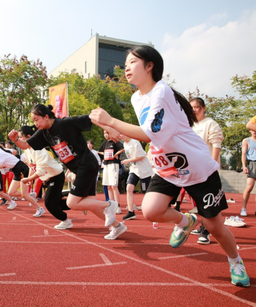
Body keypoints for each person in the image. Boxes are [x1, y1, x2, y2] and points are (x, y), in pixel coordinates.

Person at [89, 45, 250, 287]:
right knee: (151, 210)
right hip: (168, 167)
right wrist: (115, 129)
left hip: (197, 169)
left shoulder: (162, 92)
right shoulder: (136, 97)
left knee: (215, 225)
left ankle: (235, 261)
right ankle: (186, 221)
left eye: (132, 62)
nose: (126, 68)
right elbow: (147, 131)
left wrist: (112, 120)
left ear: (150, 65)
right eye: (125, 64)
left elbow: (151, 132)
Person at [8, 104, 124, 240]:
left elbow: (92, 118)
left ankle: (109, 204)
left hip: (86, 164)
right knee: (90, 203)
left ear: (46, 117)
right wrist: (15, 140)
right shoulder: (43, 133)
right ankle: (117, 226)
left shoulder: (64, 123)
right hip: (79, 168)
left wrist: (109, 129)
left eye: (36, 119)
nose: (35, 123)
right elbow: (26, 145)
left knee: (72, 203)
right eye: (33, 120)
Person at [16, 125, 74, 222]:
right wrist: (30, 178)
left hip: (56, 176)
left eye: (21, 137)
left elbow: (40, 171)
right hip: (48, 178)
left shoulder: (39, 150)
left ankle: (66, 220)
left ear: (29, 137)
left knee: (49, 203)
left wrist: (29, 179)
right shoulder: (27, 150)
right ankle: (78, 201)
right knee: (56, 202)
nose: (19, 140)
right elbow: (32, 166)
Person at [189, 97, 224, 244]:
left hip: (208, 170)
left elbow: (216, 145)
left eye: (197, 107)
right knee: (199, 201)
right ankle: (203, 226)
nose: (194, 110)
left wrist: (212, 164)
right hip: (194, 170)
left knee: (209, 202)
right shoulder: (188, 125)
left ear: (203, 108)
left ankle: (206, 231)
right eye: (192, 107)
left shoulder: (210, 124)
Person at [0, 139, 42, 213]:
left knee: (24, 194)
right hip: (16, 171)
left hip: (22, 170)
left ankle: (40, 208)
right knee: (11, 193)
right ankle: (31, 195)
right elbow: (13, 152)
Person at [121, 136, 153, 220]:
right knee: (129, 188)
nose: (120, 136)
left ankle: (153, 209)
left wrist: (128, 160)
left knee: (146, 192)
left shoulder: (135, 142)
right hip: (134, 169)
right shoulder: (125, 144)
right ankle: (131, 212)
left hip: (144, 170)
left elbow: (142, 156)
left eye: (121, 134)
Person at [99, 130, 124, 213]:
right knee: (108, 186)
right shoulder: (104, 143)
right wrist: (104, 155)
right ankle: (111, 205)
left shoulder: (115, 141)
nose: (106, 135)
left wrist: (116, 154)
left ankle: (118, 206)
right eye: (104, 134)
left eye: (107, 133)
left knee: (114, 186)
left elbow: (123, 148)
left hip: (113, 164)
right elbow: (99, 151)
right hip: (106, 164)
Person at [241, 116, 256, 217]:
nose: (254, 131)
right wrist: (244, 166)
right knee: (249, 187)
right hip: (252, 164)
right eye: (252, 129)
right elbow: (243, 154)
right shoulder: (246, 140)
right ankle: (243, 208)